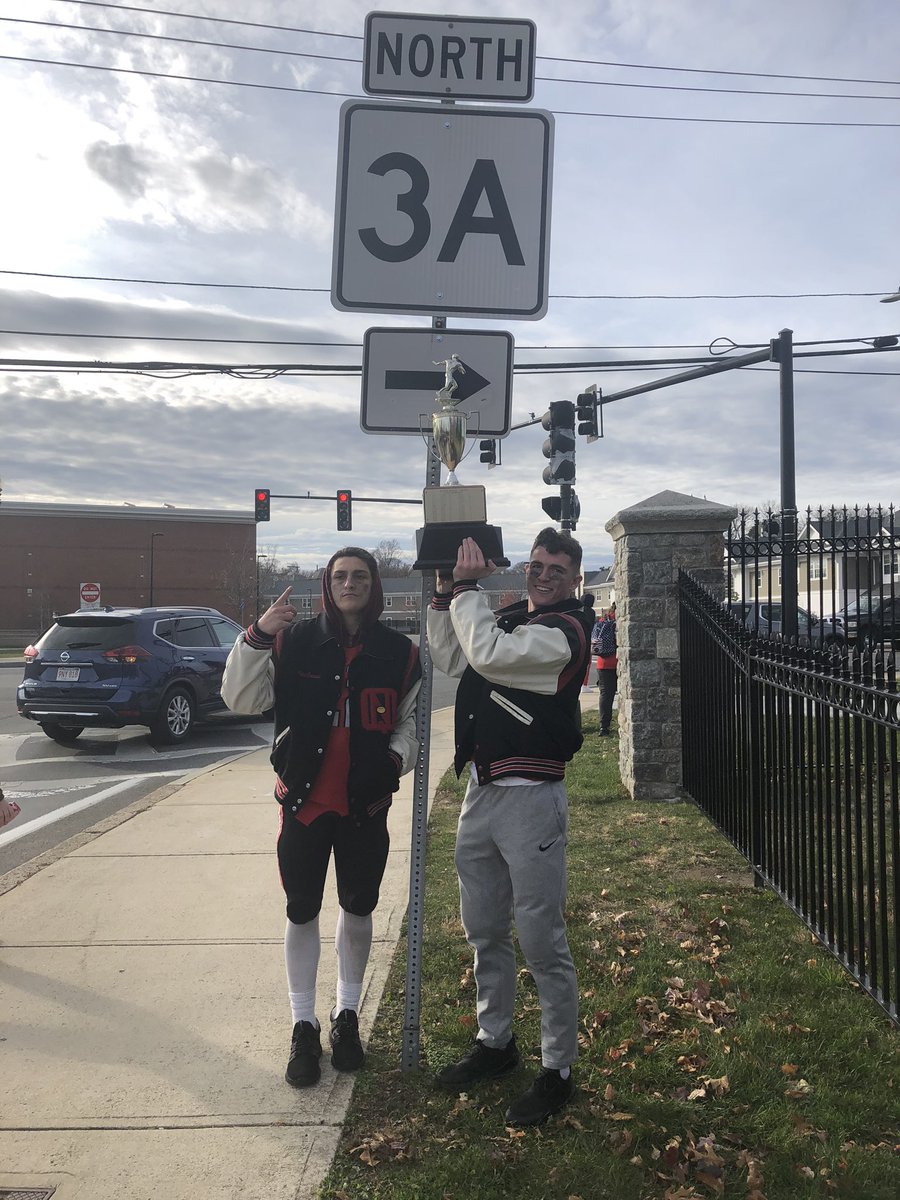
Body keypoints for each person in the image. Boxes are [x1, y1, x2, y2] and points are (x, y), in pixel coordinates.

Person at [221, 548, 421, 1089]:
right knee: (302, 909)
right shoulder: (293, 642)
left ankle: (346, 1014)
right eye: (339, 576)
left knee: (358, 907)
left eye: (359, 576)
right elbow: (240, 697)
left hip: (365, 806)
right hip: (303, 804)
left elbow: (408, 723)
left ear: (374, 584)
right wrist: (257, 635)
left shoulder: (400, 653)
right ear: (327, 585)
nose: (349, 584)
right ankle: (303, 1023)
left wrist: (394, 762)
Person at [427, 528, 593, 1126]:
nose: (543, 576)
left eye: (556, 569)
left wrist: (467, 588)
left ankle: (557, 1069)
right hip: (483, 790)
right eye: (536, 565)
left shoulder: (566, 632)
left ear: (575, 578)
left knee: (541, 939)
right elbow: (456, 657)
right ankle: (495, 1042)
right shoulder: (512, 619)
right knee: (484, 929)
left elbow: (490, 656)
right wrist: (445, 593)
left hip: (532, 801)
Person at [592, 602, 618, 736]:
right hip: (617, 661)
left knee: (605, 695)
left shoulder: (604, 619)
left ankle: (604, 727)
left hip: (602, 663)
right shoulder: (618, 620)